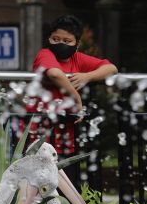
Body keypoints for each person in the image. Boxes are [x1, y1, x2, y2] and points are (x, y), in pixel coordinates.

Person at [26, 15, 117, 157]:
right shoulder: (45, 54)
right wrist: (76, 98)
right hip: (40, 134)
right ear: (48, 39)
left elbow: (111, 69)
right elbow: (55, 74)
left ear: (77, 43)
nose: (60, 44)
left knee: (69, 174)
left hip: (66, 135)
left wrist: (87, 76)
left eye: (67, 41)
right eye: (55, 39)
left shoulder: (77, 58)